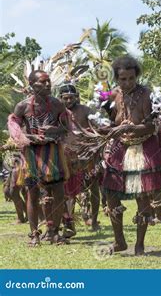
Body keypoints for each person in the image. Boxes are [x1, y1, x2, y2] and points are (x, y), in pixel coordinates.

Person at [102, 56, 161, 255]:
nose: (127, 83)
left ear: (136, 76)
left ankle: (140, 244)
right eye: (123, 79)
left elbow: (151, 125)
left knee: (143, 196)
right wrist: (112, 130)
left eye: (131, 78)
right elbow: (108, 123)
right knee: (111, 194)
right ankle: (119, 241)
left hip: (144, 147)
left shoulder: (147, 95)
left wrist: (132, 127)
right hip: (119, 149)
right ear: (116, 78)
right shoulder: (112, 96)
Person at [7, 70, 71, 246]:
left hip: (53, 153)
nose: (48, 85)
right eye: (43, 82)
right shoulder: (23, 106)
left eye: (49, 81)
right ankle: (34, 234)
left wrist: (54, 130)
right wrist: (29, 138)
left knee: (58, 193)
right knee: (33, 194)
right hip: (32, 155)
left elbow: (67, 129)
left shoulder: (57, 105)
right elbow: (15, 128)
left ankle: (55, 232)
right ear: (32, 86)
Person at [59, 83, 101, 233]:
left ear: (77, 97)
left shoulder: (85, 111)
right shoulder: (59, 112)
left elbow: (97, 131)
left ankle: (94, 220)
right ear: (61, 98)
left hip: (87, 154)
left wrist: (91, 148)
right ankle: (69, 221)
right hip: (66, 157)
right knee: (68, 189)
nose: (69, 101)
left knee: (93, 187)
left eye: (72, 97)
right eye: (66, 98)